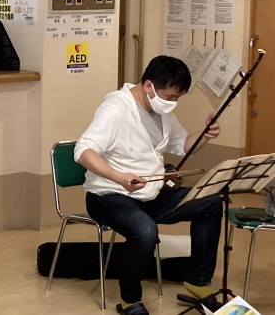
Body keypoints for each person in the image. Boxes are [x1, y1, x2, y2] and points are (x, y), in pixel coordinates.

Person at [74, 56, 223, 315]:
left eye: (177, 98)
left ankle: (197, 281)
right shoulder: (116, 108)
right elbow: (83, 150)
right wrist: (120, 177)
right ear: (148, 86)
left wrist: (205, 135)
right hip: (109, 195)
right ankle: (130, 300)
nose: (173, 103)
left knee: (210, 202)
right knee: (145, 231)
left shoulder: (162, 112)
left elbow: (182, 146)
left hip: (150, 195)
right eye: (170, 97)